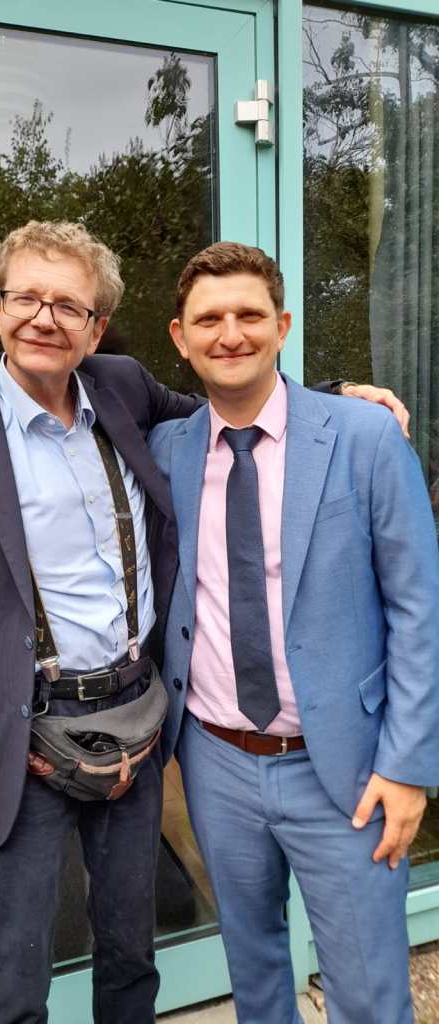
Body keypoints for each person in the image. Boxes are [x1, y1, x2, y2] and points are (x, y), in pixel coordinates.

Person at [0, 220, 409, 1024]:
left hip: (136, 721)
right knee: (16, 976)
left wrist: (335, 396)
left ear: (95, 328)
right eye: (27, 299)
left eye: (69, 306)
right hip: (21, 736)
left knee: (131, 956)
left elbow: (231, 404)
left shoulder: (122, 391)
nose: (45, 319)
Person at [149, 242, 439, 1024]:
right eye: (210, 319)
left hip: (344, 766)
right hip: (214, 761)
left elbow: (419, 608)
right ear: (181, 337)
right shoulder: (167, 449)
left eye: (249, 315)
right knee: (255, 976)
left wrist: (408, 765)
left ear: (281, 326)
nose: (230, 334)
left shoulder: (365, 437)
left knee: (368, 993)